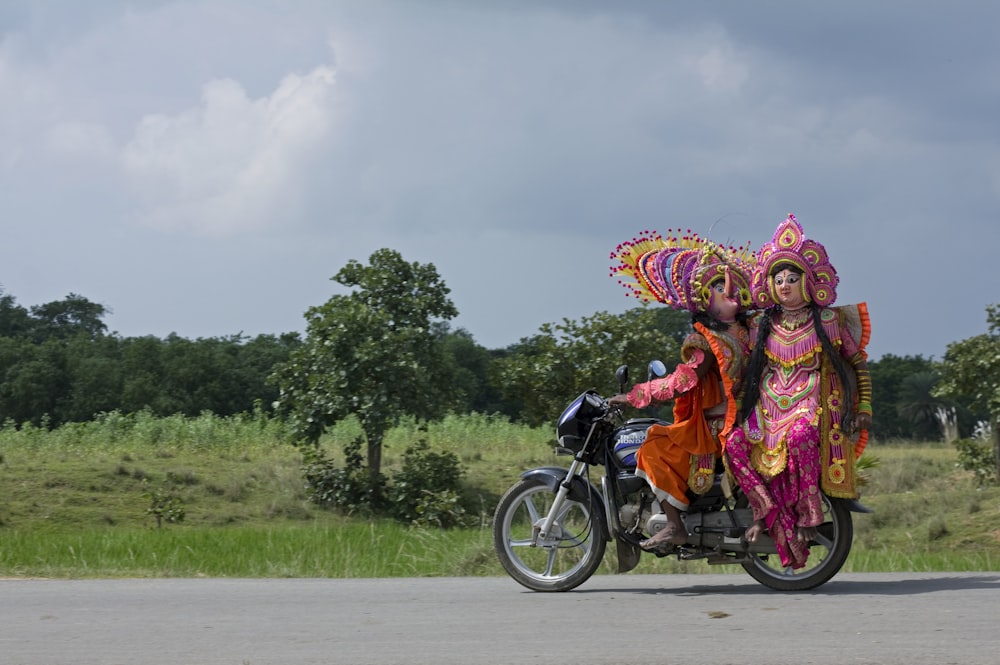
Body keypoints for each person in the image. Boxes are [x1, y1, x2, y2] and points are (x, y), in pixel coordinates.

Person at [724, 213, 872, 569]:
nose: (785, 284)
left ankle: (809, 514)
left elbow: (858, 363)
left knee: (802, 435)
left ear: (810, 282)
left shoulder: (828, 322)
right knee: (733, 445)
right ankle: (764, 509)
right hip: (768, 410)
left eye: (793, 278)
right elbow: (740, 362)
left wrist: (863, 403)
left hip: (811, 408)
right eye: (779, 278)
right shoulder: (762, 324)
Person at [608, 230, 755, 552]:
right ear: (705, 298)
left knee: (652, 446)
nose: (728, 291)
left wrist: (635, 396)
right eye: (719, 287)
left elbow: (681, 382)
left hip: (718, 428)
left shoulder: (704, 340)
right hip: (743, 421)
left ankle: (674, 526)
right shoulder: (746, 333)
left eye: (730, 285)